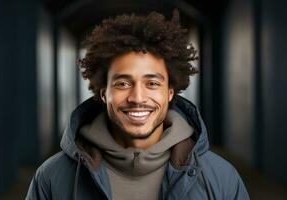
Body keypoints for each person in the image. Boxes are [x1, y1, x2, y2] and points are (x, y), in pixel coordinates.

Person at [26, 10, 249, 200]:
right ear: (104, 94)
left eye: (152, 83)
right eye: (123, 83)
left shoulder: (220, 178)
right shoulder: (52, 178)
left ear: (170, 92)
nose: (137, 97)